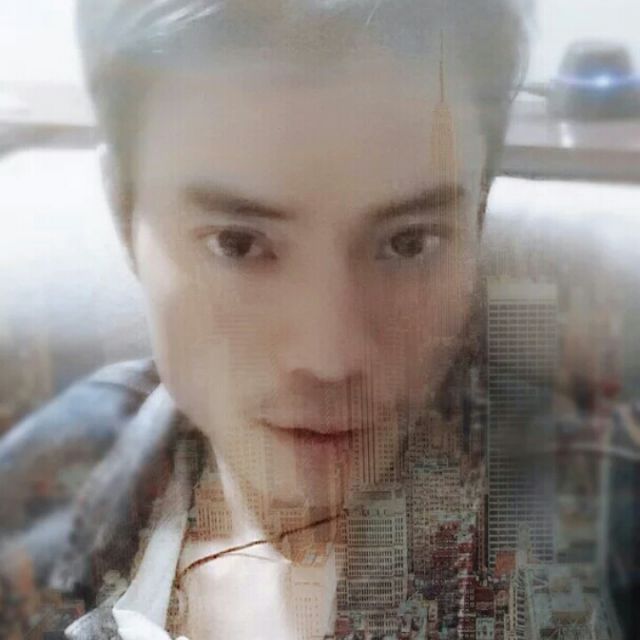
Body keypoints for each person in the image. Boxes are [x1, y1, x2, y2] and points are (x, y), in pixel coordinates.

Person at [0, 1, 529, 639]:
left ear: (477, 221)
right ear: (124, 213)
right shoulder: (48, 472)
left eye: (410, 243)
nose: (330, 358)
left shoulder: (575, 534)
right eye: (238, 244)